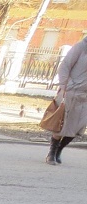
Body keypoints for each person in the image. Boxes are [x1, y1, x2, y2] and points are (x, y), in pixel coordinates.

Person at [46, 33, 87, 165]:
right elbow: (65, 66)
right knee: (62, 124)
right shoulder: (81, 47)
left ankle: (59, 149)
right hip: (70, 92)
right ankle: (52, 153)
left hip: (85, 97)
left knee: (77, 127)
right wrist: (65, 86)